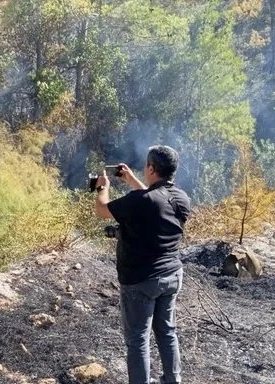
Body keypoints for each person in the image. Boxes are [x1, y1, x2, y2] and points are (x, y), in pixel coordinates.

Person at [93, 145, 191, 384]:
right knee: (167, 332)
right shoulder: (181, 198)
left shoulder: (141, 200)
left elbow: (101, 210)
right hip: (172, 275)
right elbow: (155, 200)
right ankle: (172, 380)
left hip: (141, 280)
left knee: (138, 340)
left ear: (151, 167)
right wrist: (132, 180)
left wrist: (102, 189)